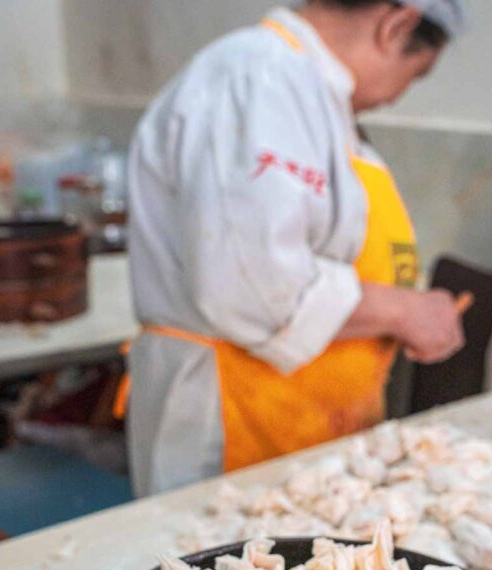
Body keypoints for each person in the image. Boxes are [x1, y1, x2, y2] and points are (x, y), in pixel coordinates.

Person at [125, 1, 467, 497]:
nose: (397, 96)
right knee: (218, 567)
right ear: (397, 25)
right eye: (415, 75)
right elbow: (252, 286)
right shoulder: (257, 77)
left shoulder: (315, 98)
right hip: (233, 419)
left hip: (309, 429)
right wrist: (403, 309)